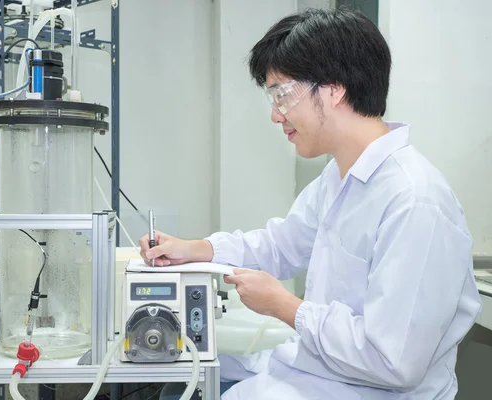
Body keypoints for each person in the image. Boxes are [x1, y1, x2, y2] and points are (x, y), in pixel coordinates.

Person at [140, 7, 482, 400]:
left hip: (371, 390)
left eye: (282, 94)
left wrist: (287, 307)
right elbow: (282, 244)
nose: (275, 114)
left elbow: (394, 361)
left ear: (334, 89)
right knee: (183, 380)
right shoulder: (339, 178)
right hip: (321, 371)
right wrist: (196, 249)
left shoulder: (415, 201)